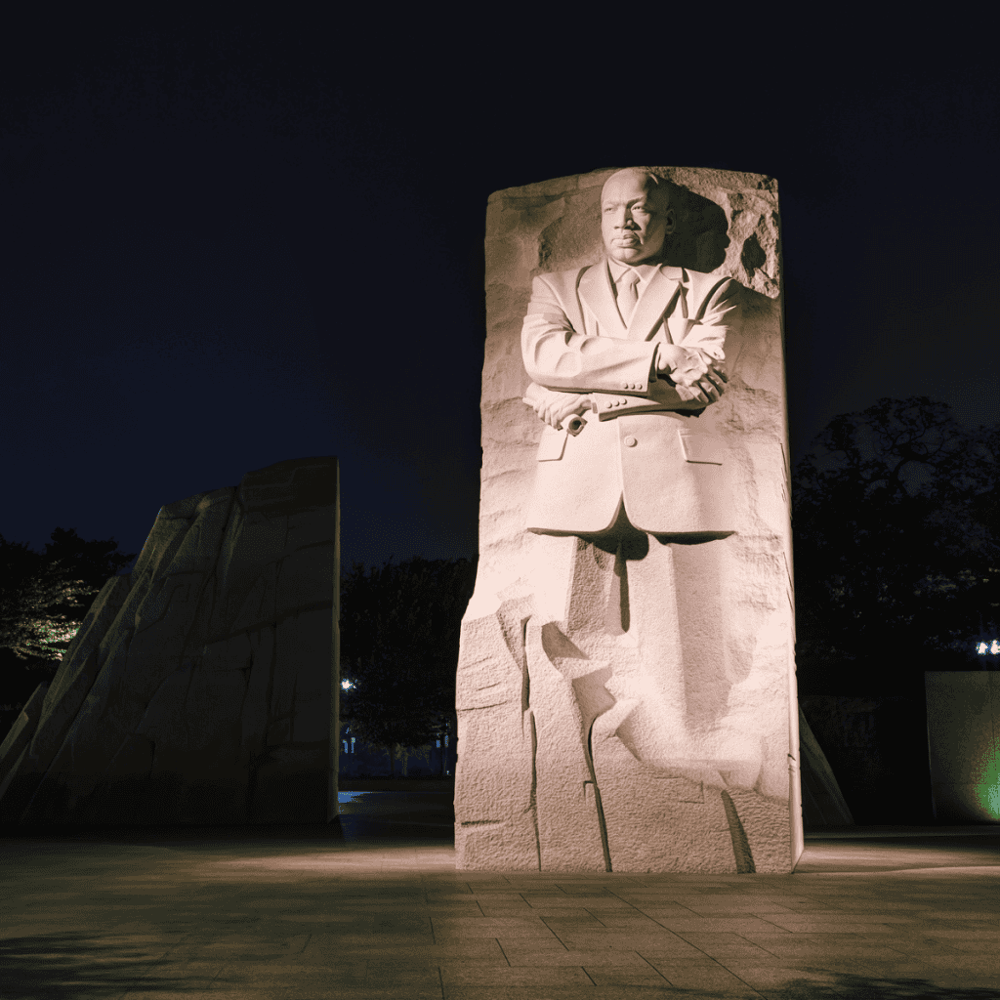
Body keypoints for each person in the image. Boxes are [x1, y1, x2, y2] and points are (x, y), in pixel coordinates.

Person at [520, 167, 743, 766]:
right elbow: (542, 357)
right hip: (577, 480)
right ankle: (578, 758)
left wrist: (585, 394)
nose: (624, 222)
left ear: (666, 221)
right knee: (567, 630)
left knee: (683, 638)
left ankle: (690, 746)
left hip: (675, 480)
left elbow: (703, 386)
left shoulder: (708, 290)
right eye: (611, 210)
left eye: (640, 209)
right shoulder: (557, 288)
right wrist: (661, 356)